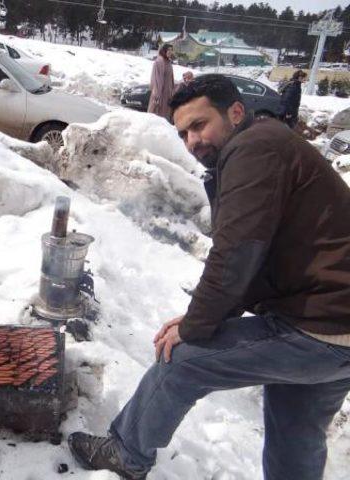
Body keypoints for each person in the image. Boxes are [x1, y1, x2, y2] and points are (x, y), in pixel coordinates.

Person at [68, 74, 350, 480]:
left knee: (181, 360)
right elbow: (255, 256)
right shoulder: (269, 143)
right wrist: (203, 317)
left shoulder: (254, 149)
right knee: (296, 433)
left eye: (199, 125)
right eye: (183, 133)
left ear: (235, 112)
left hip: (321, 324)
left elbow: (236, 252)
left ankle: (126, 454)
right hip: (333, 324)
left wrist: (197, 325)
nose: (192, 142)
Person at [147, 43, 175, 120]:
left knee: (165, 117)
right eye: (168, 50)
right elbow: (156, 80)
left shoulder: (168, 62)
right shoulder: (159, 62)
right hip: (160, 95)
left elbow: (171, 79)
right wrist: (157, 96)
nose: (170, 52)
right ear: (164, 50)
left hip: (167, 95)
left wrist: (172, 93)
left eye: (171, 50)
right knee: (156, 117)